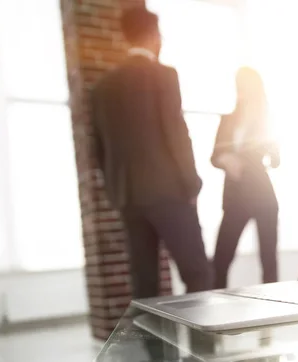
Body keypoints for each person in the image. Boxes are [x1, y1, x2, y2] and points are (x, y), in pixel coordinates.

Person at [90, 7, 213, 298]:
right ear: (153, 35)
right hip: (168, 191)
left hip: (128, 197)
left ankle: (155, 346)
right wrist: (191, 183)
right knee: (198, 272)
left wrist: (116, 192)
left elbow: (99, 149)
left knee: (144, 284)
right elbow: (176, 132)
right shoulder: (163, 75)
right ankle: (199, 345)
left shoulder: (102, 88)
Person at [211, 67, 280, 289]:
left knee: (269, 263)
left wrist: (269, 146)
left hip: (262, 195)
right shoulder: (228, 119)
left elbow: (276, 160)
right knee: (220, 262)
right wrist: (226, 160)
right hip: (235, 197)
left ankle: (274, 315)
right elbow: (214, 156)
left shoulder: (265, 118)